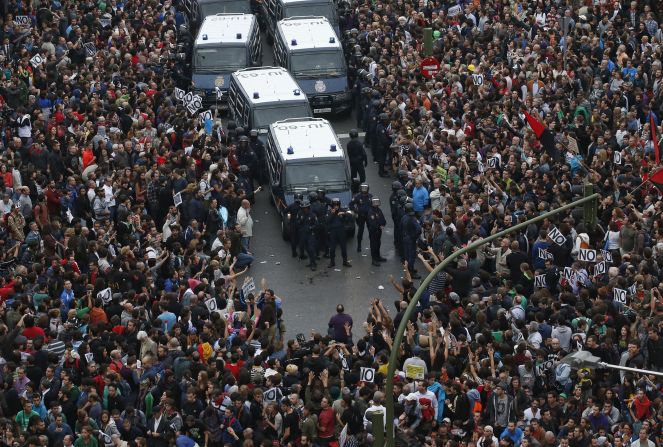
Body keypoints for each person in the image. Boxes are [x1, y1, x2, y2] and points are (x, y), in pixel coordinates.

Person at [326, 198, 351, 268]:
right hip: (333, 231)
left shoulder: (342, 210)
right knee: (332, 247)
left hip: (341, 230)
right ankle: (332, 262)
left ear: (339, 205)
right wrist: (332, 214)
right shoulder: (330, 211)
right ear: (332, 205)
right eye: (334, 205)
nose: (336, 206)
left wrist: (344, 214)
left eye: (337, 205)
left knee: (343, 247)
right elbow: (327, 221)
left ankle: (345, 261)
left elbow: (350, 216)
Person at [296, 200, 318, 271]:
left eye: (306, 207)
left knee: (311, 249)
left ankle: (313, 264)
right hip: (303, 234)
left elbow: (316, 224)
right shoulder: (299, 213)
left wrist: (311, 228)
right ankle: (311, 261)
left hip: (310, 234)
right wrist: (300, 220)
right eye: (303, 208)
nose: (305, 209)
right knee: (307, 249)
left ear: (308, 207)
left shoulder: (312, 215)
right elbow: (297, 222)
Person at [350, 183, 372, 253]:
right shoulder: (357, 196)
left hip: (369, 216)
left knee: (371, 231)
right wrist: (356, 210)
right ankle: (359, 245)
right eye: (363, 188)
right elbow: (351, 204)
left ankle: (372, 244)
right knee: (360, 231)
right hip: (361, 216)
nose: (364, 190)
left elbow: (374, 205)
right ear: (360, 189)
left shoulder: (371, 196)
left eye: (366, 189)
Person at [367, 197, 386, 267]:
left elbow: (382, 218)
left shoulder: (378, 210)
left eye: (377, 202)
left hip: (378, 231)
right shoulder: (371, 211)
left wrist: (383, 224)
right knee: (374, 245)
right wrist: (379, 226)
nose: (376, 204)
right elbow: (372, 222)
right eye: (374, 202)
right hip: (373, 231)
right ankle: (374, 260)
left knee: (378, 244)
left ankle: (378, 257)